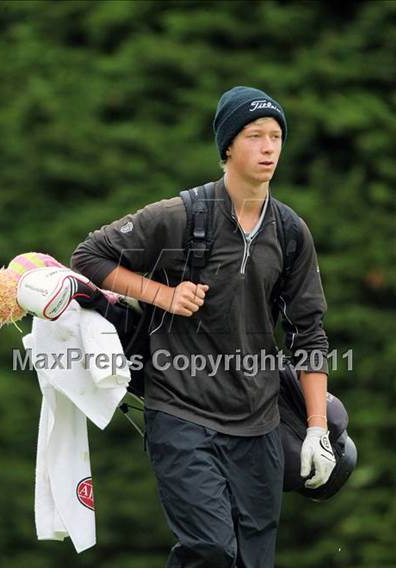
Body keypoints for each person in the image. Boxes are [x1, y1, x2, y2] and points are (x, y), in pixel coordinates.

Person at [71, 86, 336, 568]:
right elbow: (89, 256)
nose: (269, 147)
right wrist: (163, 295)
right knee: (210, 551)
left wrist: (316, 429)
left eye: (276, 136)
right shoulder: (181, 215)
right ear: (228, 146)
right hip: (181, 410)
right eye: (255, 136)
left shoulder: (291, 231)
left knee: (252, 563)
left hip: (260, 423)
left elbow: (309, 334)